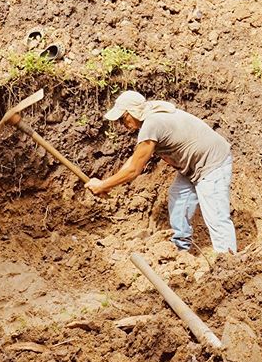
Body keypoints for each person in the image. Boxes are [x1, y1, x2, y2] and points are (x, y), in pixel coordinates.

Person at [85, 90, 237, 254]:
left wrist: (103, 185)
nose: (122, 123)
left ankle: (228, 262)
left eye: (123, 117)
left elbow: (134, 170)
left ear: (133, 112)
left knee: (216, 217)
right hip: (193, 166)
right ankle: (181, 249)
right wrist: (107, 185)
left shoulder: (152, 123)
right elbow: (135, 159)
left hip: (212, 163)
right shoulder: (151, 118)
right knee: (178, 197)